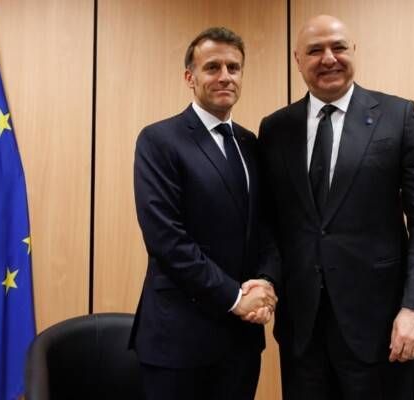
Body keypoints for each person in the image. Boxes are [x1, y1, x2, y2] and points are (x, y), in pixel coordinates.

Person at [258, 15, 414, 400]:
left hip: (380, 328)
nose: (329, 58)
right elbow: (270, 222)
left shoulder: (398, 116)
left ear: (354, 51)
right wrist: (264, 280)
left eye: (338, 47)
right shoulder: (275, 128)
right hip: (301, 331)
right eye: (315, 50)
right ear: (298, 60)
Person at [130, 27, 277, 400]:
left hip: (241, 341)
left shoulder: (250, 143)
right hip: (178, 340)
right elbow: (166, 239)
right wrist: (235, 298)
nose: (225, 76)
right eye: (212, 67)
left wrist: (265, 283)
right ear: (189, 77)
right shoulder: (159, 140)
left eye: (233, 67)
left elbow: (266, 227)